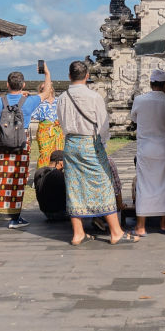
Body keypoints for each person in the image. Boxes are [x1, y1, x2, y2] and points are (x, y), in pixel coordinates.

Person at [57, 60, 138, 246]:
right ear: (87, 76)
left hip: (70, 144)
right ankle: (116, 231)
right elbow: (103, 125)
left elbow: (61, 122)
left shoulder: (62, 98)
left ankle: (78, 233)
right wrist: (102, 143)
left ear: (69, 76)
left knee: (74, 186)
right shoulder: (94, 97)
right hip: (90, 143)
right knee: (104, 183)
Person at [0, 68, 51, 230]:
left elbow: (11, 100)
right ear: (23, 84)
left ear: (7, 84)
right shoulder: (29, 101)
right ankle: (15, 218)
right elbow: (46, 92)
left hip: (3, 144)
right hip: (22, 144)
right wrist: (46, 73)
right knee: (18, 180)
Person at [130, 69, 165, 236]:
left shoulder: (139, 100)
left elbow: (134, 118)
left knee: (144, 184)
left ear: (150, 84)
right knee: (164, 184)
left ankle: (141, 226)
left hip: (145, 148)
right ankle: (163, 223)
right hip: (163, 148)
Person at [33, 76, 63, 168]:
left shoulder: (59, 101)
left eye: (47, 87)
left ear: (51, 89)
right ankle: (42, 175)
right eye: (42, 88)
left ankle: (58, 176)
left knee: (58, 154)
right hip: (44, 131)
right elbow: (31, 114)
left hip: (57, 131)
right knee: (44, 154)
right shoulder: (37, 102)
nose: (44, 89)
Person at [34, 149, 67, 220]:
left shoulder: (39, 172)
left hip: (46, 212)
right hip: (60, 213)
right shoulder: (58, 175)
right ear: (60, 163)